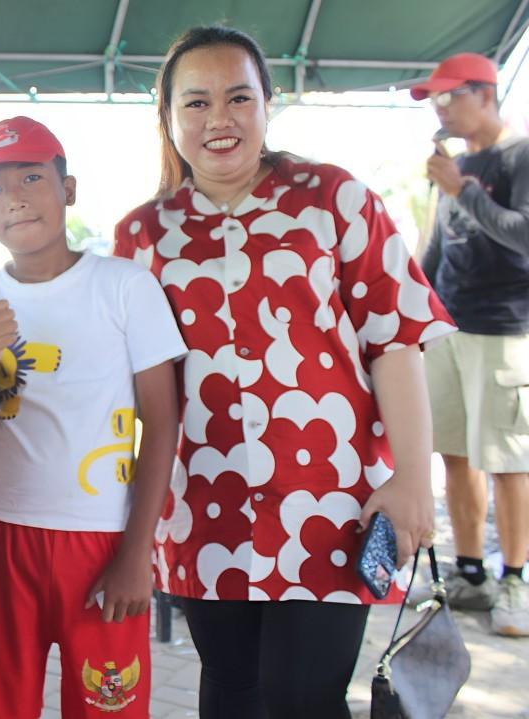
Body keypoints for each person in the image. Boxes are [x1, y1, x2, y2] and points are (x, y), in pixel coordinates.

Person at [113, 26, 456, 719]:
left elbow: (395, 340)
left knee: (303, 699)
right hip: (202, 505)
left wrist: (413, 477)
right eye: (196, 102)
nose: (219, 119)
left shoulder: (335, 198)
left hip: (330, 502)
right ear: (169, 117)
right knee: (231, 693)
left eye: (239, 97)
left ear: (268, 103)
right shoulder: (142, 233)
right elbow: (116, 367)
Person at [0, 116, 185, 719]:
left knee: (110, 704)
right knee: (0, 704)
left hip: (101, 536)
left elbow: (161, 424)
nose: (16, 198)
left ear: (68, 188)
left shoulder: (124, 286)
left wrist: (138, 553)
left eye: (31, 177)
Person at [414, 52, 529, 637]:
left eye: (447, 97)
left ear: (484, 94)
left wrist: (465, 189)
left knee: (507, 460)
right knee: (453, 455)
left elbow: (525, 236)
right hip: (449, 328)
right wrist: (412, 311)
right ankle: (470, 574)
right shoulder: (456, 165)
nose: (440, 110)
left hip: (506, 327)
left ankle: (516, 580)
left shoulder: (520, 155)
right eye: (434, 101)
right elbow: (438, 246)